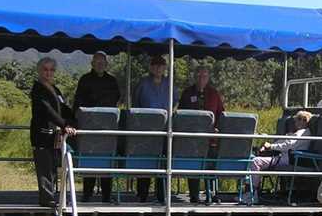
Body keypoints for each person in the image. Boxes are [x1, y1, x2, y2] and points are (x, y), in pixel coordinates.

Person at [73, 52, 121, 202]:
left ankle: (106, 196)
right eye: (97, 62)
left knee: (107, 160)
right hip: (90, 126)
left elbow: (116, 99)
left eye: (103, 63)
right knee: (90, 159)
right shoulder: (85, 80)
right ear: (92, 64)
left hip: (107, 127)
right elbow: (78, 101)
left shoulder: (112, 81)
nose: (100, 65)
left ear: (106, 65)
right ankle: (87, 194)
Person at [30, 57, 76, 207]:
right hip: (42, 134)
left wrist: (72, 121)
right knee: (44, 167)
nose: (48, 73)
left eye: (51, 70)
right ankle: (47, 199)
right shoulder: (38, 89)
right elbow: (47, 110)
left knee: (53, 167)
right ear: (39, 71)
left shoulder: (55, 89)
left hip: (55, 135)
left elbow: (63, 108)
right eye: (45, 69)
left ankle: (54, 197)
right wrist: (64, 125)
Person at [132, 55, 177, 202]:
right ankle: (142, 195)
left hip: (165, 129)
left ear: (165, 67)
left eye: (161, 65)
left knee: (163, 161)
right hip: (146, 128)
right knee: (145, 162)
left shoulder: (169, 83)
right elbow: (136, 103)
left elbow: (175, 101)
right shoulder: (143, 83)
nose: (158, 68)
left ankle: (162, 195)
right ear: (151, 67)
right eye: (155, 65)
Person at [178, 65, 225, 203]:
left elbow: (221, 114)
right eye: (198, 76)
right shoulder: (187, 93)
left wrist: (217, 128)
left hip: (210, 139)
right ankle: (194, 196)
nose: (201, 79)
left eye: (204, 76)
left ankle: (212, 194)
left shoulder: (214, 94)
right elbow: (180, 114)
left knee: (211, 165)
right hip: (192, 140)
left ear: (208, 78)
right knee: (193, 167)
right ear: (195, 77)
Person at [251, 110, 312, 193]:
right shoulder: (297, 133)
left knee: (256, 161)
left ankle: (252, 192)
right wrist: (268, 146)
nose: (295, 122)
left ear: (304, 120)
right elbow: (282, 142)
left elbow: (288, 145)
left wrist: (271, 146)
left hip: (289, 159)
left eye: (298, 119)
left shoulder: (303, 133)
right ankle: (253, 190)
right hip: (284, 157)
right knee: (254, 158)